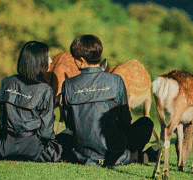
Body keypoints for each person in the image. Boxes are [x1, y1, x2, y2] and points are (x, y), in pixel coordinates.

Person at [60, 35, 156, 167]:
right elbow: (125, 121)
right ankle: (134, 155)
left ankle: (132, 156)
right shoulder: (116, 80)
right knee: (146, 122)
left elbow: (70, 124)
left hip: (83, 154)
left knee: (63, 135)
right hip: (115, 152)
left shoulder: (68, 84)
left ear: (81, 61)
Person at [0, 41, 66, 162]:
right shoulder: (45, 90)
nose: (51, 61)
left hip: (3, 149)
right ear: (38, 62)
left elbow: (2, 122)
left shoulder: (6, 82)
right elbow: (46, 132)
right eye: (47, 57)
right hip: (33, 150)